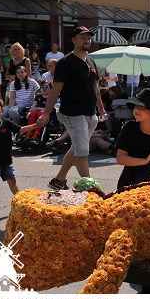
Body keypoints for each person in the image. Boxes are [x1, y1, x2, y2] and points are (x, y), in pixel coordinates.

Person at [37, 26, 108, 190]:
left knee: (77, 147)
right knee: (82, 151)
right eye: (82, 37)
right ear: (74, 40)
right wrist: (46, 113)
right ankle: (90, 188)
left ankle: (59, 180)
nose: (86, 40)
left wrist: (102, 110)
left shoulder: (91, 61)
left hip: (90, 113)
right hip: (73, 113)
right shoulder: (65, 62)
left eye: (88, 37)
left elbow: (95, 88)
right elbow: (56, 89)